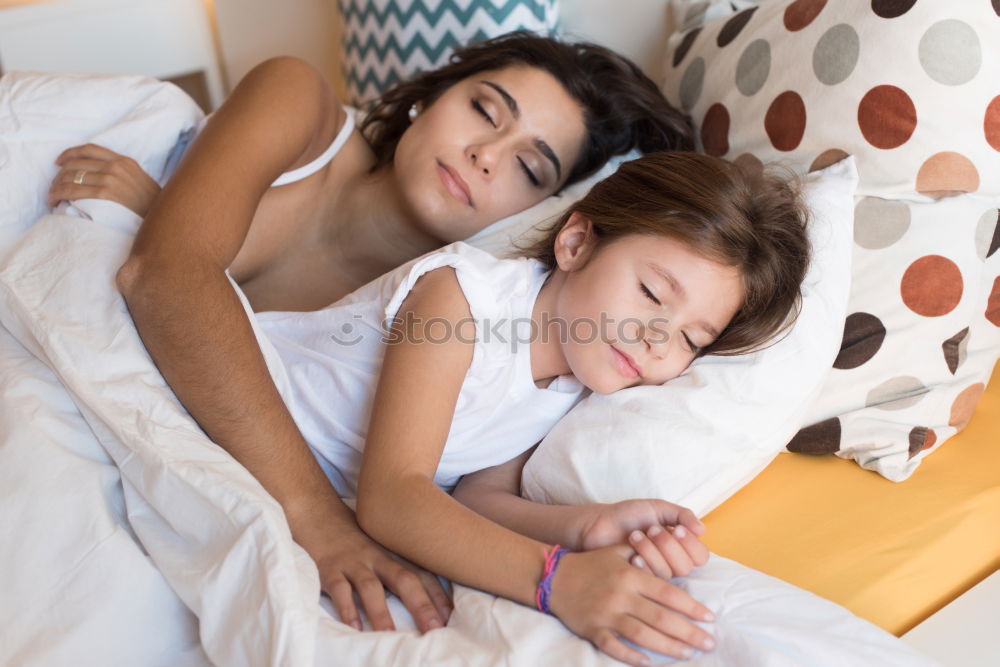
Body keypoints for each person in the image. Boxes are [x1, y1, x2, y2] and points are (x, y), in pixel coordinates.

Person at [46, 32, 696, 637]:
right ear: (428, 96)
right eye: (483, 110)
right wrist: (316, 515)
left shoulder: (457, 314)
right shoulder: (297, 98)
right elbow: (164, 275)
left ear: (545, 212)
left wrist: (581, 530)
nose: (486, 156)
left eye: (530, 169)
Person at [251, 150, 810, 665]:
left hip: (299, 481)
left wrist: (587, 526)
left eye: (692, 340)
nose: (658, 342)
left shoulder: (577, 380)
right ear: (576, 244)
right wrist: (557, 581)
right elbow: (394, 495)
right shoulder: (461, 300)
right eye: (652, 294)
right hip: (238, 418)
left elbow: (478, 496)